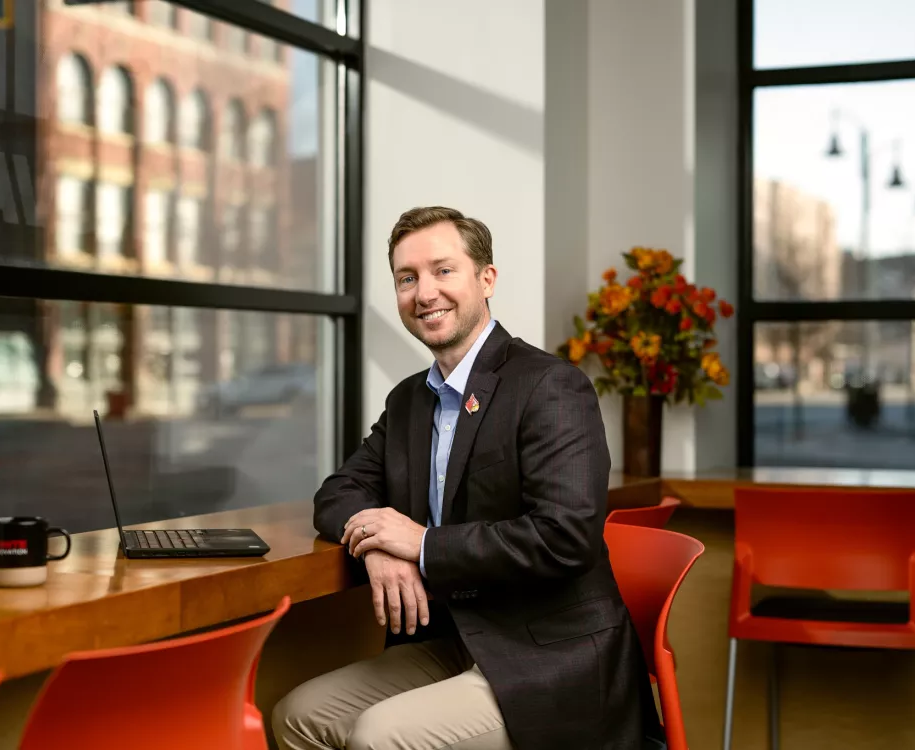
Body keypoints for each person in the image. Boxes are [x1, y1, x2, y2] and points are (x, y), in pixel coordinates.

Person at [272, 206, 661, 750]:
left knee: (379, 737)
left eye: (443, 270)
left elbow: (564, 537)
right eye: (407, 278)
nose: (424, 292)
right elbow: (338, 493)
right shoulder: (409, 399)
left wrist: (422, 544)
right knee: (299, 716)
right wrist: (378, 545)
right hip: (458, 637)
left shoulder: (551, 385)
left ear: (487, 278)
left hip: (551, 656)